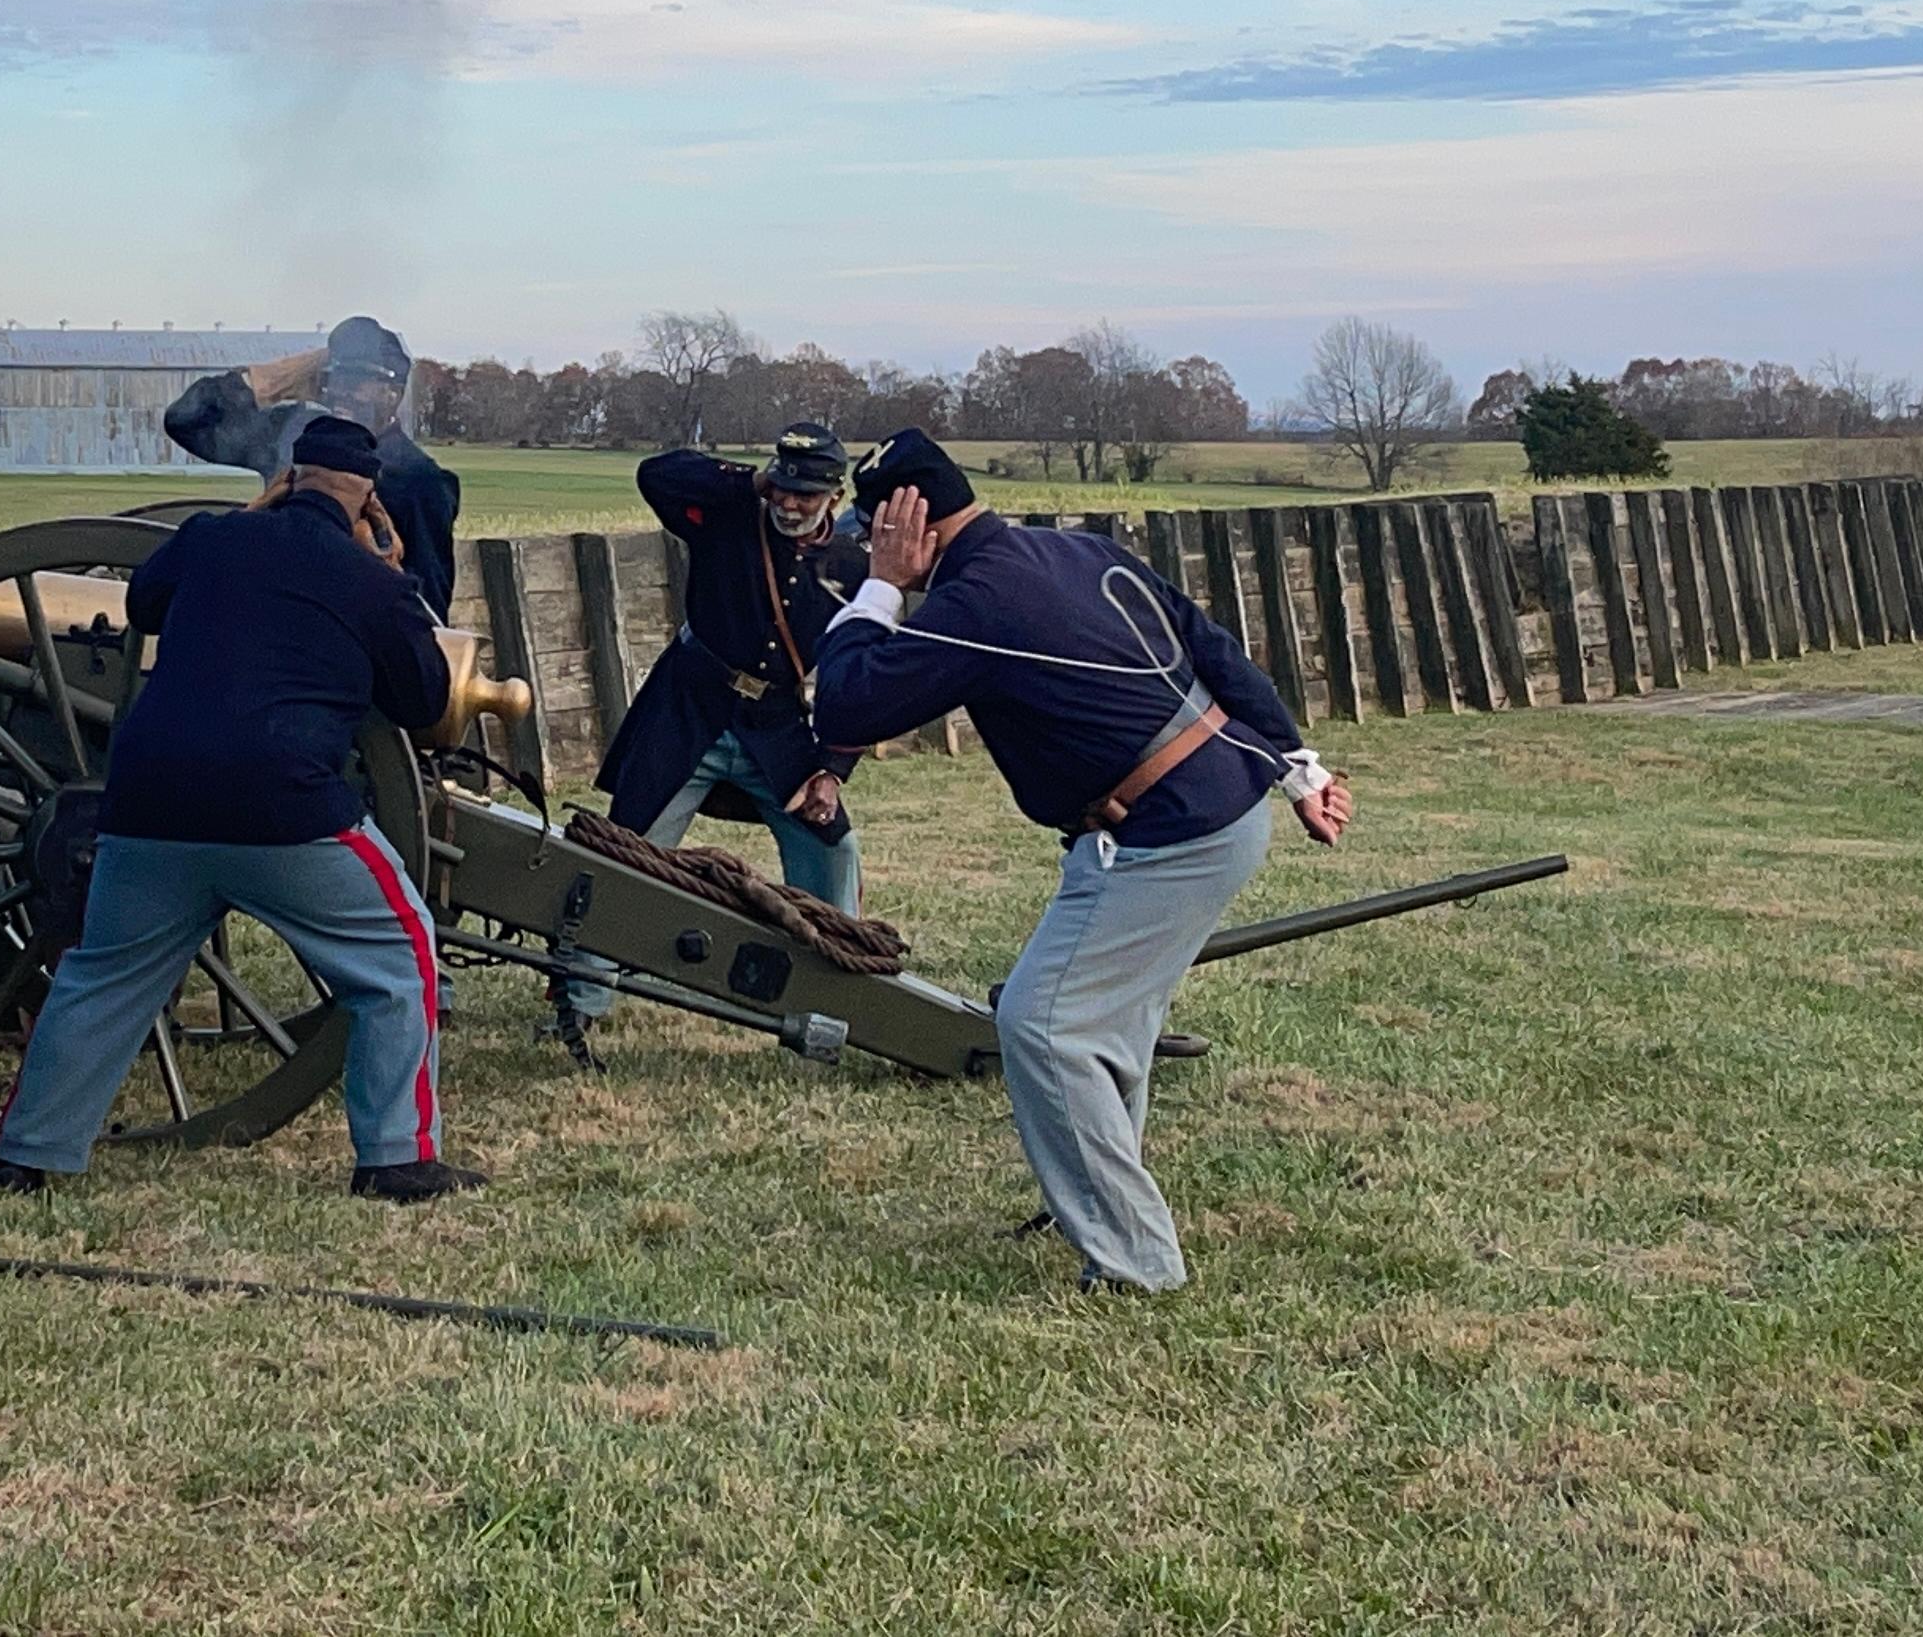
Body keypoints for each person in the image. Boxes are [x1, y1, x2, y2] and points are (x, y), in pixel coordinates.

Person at [812, 430, 1353, 1292]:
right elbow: (1212, 649)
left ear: (909, 523)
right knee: (1104, 1023)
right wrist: (1298, 769)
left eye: (874, 531)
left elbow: (844, 704)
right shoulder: (1077, 550)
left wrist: (881, 584)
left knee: (1045, 1022)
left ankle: (1137, 1262)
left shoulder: (974, 601)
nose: (866, 545)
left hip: (1172, 833)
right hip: (1216, 807)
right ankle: (1103, 1209)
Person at [0, 416, 487, 1203]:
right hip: (281, 807)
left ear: (288, 475)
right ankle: (396, 1156)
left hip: (148, 802)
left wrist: (248, 520)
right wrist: (390, 574)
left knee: (100, 976)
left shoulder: (211, 538)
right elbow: (422, 698)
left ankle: (26, 1154)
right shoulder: (373, 581)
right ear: (369, 497)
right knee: (402, 958)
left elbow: (144, 601)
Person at [554, 424, 868, 1029]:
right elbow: (657, 474)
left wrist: (832, 768)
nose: (789, 504)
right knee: (631, 855)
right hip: (688, 710)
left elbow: (853, 672)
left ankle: (841, 999)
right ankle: (581, 1000)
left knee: (835, 850)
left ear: (834, 494)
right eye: (782, 488)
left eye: (805, 494)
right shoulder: (731, 514)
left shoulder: (853, 564)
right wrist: (750, 481)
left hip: (775, 727)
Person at [165, 316, 462, 615]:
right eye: (336, 377)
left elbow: (429, 606)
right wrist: (275, 378)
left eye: (358, 380)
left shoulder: (420, 481)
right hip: (268, 614)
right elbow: (185, 421)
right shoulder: (293, 433)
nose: (341, 391)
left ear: (392, 393)